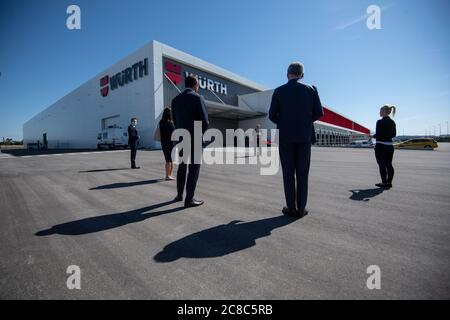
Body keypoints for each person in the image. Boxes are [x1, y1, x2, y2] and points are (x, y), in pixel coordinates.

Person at [269, 62, 324, 218]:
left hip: (285, 136)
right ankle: (301, 209)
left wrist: (285, 122)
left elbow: (272, 115)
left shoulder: (279, 91)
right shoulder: (311, 90)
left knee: (288, 173)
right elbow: (319, 113)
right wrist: (305, 122)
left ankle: (291, 207)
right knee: (302, 174)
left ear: (287, 74)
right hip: (304, 137)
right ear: (302, 75)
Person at [171, 75, 209, 208]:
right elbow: (205, 122)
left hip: (181, 138)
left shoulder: (175, 100)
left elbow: (175, 121)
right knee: (193, 170)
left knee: (182, 167)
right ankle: (189, 199)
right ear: (195, 85)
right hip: (195, 139)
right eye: (198, 86)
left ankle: (179, 195)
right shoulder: (198, 98)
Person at [371, 105, 397, 189]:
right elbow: (393, 135)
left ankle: (384, 182)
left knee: (382, 165)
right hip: (390, 146)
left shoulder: (379, 122)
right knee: (389, 164)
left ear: (385, 112)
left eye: (380, 111)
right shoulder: (392, 122)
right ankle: (389, 182)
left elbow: (378, 134)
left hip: (381, 146)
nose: (379, 112)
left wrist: (372, 136)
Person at [159, 107, 176, 180]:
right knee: (170, 160)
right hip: (171, 143)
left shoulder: (161, 122)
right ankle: (168, 175)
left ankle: (169, 175)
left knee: (168, 160)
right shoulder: (170, 123)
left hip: (164, 143)